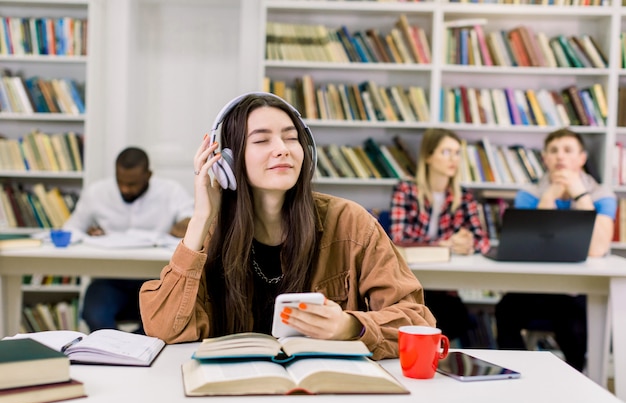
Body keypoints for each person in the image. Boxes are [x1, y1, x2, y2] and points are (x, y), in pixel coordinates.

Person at [139, 92, 435, 360]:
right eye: (261, 140)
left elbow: (418, 320)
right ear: (225, 162)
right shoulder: (210, 232)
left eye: (291, 138)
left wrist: (351, 326)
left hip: (323, 391)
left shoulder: (351, 224)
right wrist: (201, 218)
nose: (282, 149)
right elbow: (164, 329)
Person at [495, 128, 617, 372]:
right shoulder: (529, 195)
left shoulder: (602, 195)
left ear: (582, 158)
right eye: (554, 151)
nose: (560, 157)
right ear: (545, 159)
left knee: (575, 324)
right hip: (533, 287)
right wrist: (548, 197)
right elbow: (530, 245)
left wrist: (580, 195)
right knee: (505, 311)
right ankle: (519, 376)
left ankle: (574, 383)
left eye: (568, 150)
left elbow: (597, 248)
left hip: (574, 291)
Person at [64, 147, 194, 333]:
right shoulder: (97, 193)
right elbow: (71, 229)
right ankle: (110, 354)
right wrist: (86, 234)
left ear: (148, 175)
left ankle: (134, 351)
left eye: (132, 184)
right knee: (94, 314)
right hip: (110, 279)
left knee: (162, 320)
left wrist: (184, 225)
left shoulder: (171, 191)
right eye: (120, 182)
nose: (125, 189)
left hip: (157, 279)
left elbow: (192, 221)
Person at [389, 128, 491, 347]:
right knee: (421, 313)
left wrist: (467, 243)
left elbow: (483, 241)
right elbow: (398, 236)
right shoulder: (406, 190)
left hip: (445, 287)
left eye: (456, 153)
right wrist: (443, 244)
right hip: (411, 285)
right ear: (428, 156)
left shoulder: (463, 195)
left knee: (455, 315)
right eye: (446, 152)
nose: (453, 159)